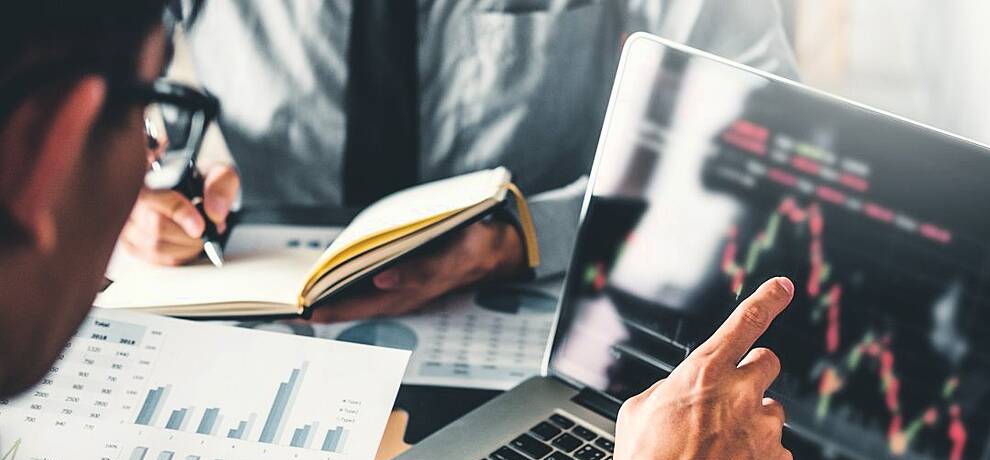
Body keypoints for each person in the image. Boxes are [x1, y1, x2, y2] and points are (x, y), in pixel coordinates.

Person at [0, 5, 792, 460]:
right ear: (47, 149)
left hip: (546, 328)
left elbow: (766, 125)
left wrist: (529, 230)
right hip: (272, 327)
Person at [120, 0, 799, 322]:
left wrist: (529, 235)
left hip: (547, 291)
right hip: (260, 293)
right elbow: (82, 68)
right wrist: (127, 173)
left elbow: (759, 142)